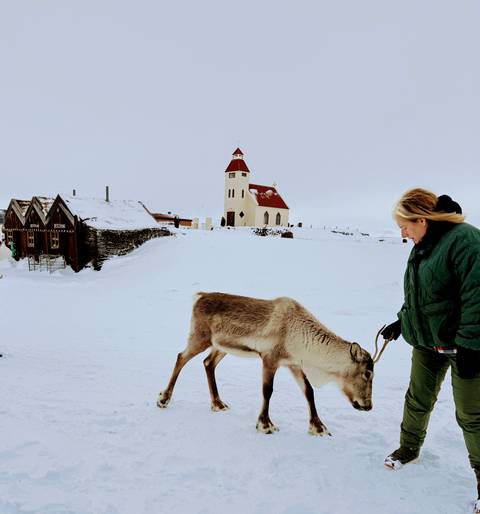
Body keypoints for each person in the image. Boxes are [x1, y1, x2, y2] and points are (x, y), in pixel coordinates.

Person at [381, 188, 480, 510]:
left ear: (421, 219)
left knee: (472, 414)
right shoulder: (422, 246)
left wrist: (470, 345)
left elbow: (476, 296)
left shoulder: (466, 240)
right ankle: (408, 449)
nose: (402, 233)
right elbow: (420, 295)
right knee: (417, 399)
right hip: (426, 342)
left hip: (464, 346)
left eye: (405, 225)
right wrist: (402, 320)